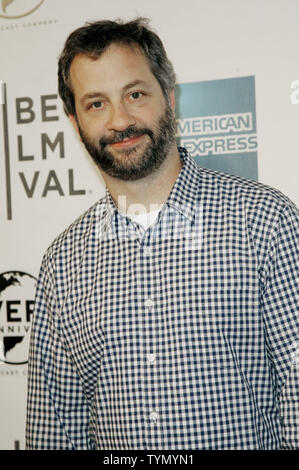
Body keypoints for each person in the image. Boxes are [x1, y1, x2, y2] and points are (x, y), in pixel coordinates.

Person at [26, 18, 298, 450]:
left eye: (135, 94)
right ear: (75, 121)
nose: (120, 120)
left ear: (169, 98)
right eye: (96, 104)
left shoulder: (263, 220)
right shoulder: (62, 261)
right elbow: (56, 426)